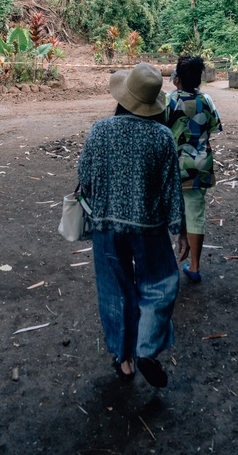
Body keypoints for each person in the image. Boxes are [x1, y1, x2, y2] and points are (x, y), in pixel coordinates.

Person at [78, 63, 189, 388]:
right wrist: (179, 228)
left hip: (107, 225)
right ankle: (146, 347)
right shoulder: (162, 136)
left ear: (123, 98)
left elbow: (84, 176)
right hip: (149, 226)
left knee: (115, 291)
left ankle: (124, 361)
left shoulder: (100, 130)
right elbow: (171, 186)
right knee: (160, 284)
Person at [165, 55, 223, 283]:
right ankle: (195, 266)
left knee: (168, 209)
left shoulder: (168, 101)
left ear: (177, 78)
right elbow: (214, 128)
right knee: (196, 213)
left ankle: (168, 259)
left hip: (174, 165)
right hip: (199, 164)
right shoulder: (206, 100)